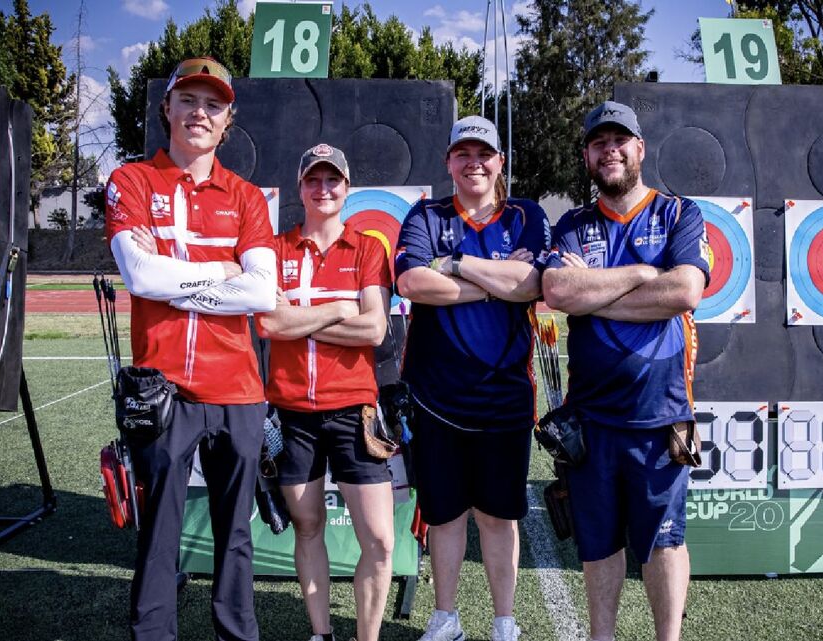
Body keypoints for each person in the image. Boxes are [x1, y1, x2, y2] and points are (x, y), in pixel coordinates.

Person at [104, 56, 277, 641]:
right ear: (167, 108)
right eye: (188, 100)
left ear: (228, 121)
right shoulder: (131, 181)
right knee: (158, 532)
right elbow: (139, 276)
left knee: (236, 534)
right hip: (163, 388)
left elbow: (261, 291)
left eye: (213, 105)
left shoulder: (247, 196)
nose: (200, 113)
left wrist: (175, 280)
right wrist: (222, 273)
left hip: (239, 390)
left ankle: (237, 635)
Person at [540, 100, 709, 641]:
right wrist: (641, 274)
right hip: (591, 419)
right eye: (598, 143)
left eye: (619, 142)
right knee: (598, 545)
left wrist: (595, 294)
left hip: (661, 415)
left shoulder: (679, 213)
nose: (609, 151)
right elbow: (558, 291)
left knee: (665, 542)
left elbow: (684, 290)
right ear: (587, 156)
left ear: (639, 148)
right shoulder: (573, 223)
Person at [394, 115, 548, 641]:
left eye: (484, 154)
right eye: (463, 153)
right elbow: (413, 283)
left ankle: (505, 622)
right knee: (445, 516)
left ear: (500, 162)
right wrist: (498, 283)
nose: (473, 163)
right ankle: (446, 618)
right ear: (448, 162)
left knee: (499, 517)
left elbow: (533, 284)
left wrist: (455, 264)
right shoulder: (426, 214)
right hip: (435, 396)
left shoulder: (525, 214)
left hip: (504, 398)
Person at [257, 144, 394, 641]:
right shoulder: (275, 250)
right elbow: (270, 323)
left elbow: (374, 330)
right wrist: (338, 310)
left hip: (354, 411)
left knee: (379, 541)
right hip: (292, 413)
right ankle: (321, 634)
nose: (323, 189)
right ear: (300, 187)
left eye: (332, 179)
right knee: (308, 526)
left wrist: (299, 319)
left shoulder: (368, 249)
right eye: (313, 180)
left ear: (347, 187)